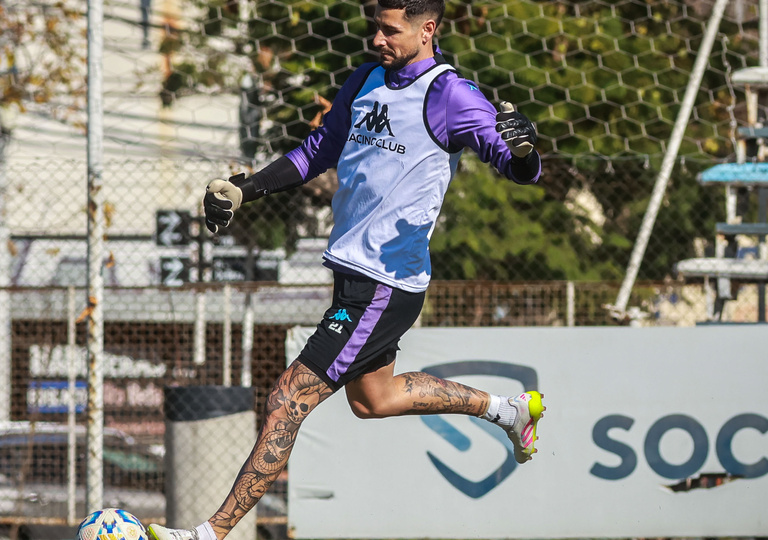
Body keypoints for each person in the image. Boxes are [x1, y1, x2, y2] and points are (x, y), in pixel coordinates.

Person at [149, 1, 545, 539]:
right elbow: (319, 150)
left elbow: (518, 167)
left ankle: (209, 534)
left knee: (287, 399)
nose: (377, 39)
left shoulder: (450, 94)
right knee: (373, 399)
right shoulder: (365, 80)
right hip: (354, 276)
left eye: (390, 30)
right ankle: (507, 410)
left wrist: (523, 152)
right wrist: (247, 188)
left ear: (427, 30)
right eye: (375, 28)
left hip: (384, 283)